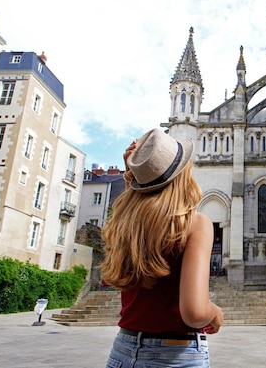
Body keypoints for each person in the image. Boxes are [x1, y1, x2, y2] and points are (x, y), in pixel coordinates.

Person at [101, 128, 224, 368]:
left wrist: (136, 172)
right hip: (174, 355)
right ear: (182, 174)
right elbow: (195, 313)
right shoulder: (195, 224)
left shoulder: (124, 224)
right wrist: (215, 313)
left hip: (123, 349)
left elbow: (139, 205)